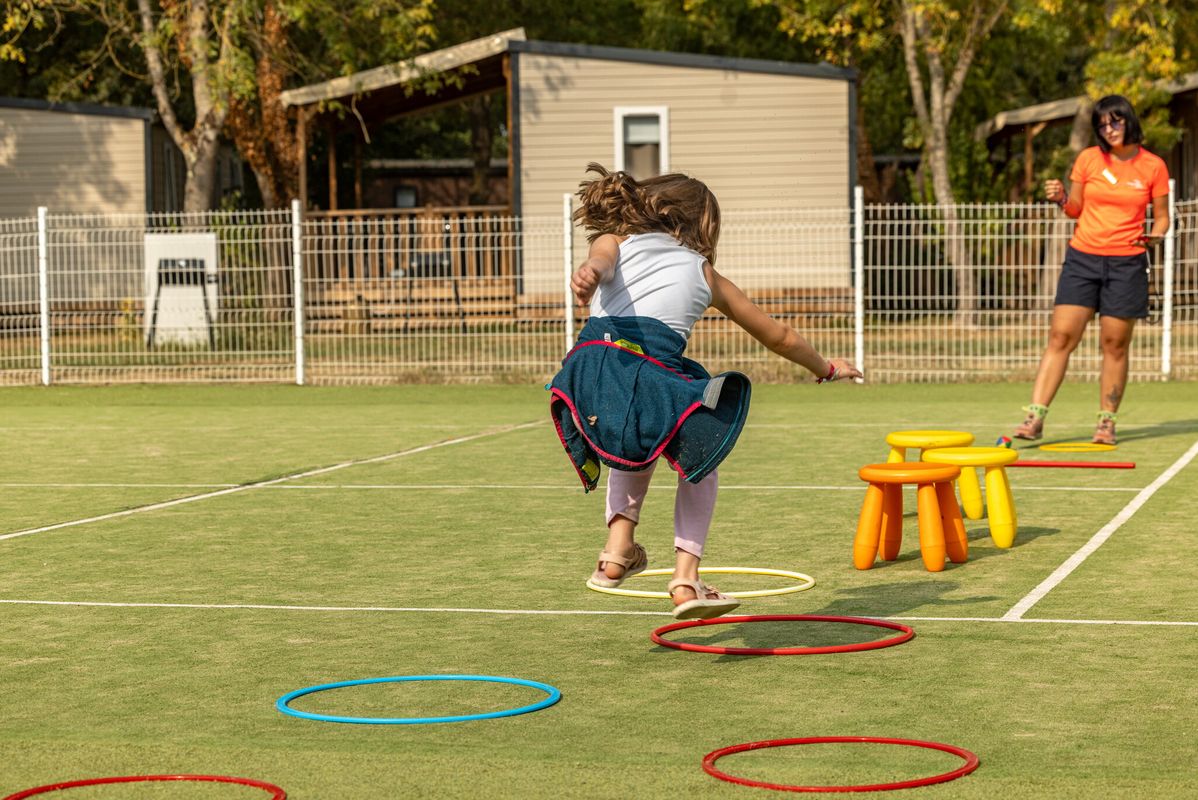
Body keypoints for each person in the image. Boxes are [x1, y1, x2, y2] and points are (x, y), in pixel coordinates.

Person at [549, 163, 862, 620]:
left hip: (592, 374)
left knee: (639, 438)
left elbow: (600, 258)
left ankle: (617, 552)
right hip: (650, 370)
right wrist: (827, 367)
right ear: (697, 224)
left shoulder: (616, 240)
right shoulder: (704, 273)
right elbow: (779, 336)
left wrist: (589, 275)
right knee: (700, 455)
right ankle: (686, 579)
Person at [1014, 95, 1170, 445]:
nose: (1109, 129)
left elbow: (1162, 217)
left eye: (1115, 121)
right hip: (1082, 260)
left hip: (1127, 263)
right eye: (1102, 125)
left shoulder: (1153, 166)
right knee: (1060, 338)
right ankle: (1034, 417)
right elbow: (1076, 209)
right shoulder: (1088, 159)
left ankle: (1106, 423)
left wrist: (1156, 236)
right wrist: (1060, 200)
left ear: (1128, 120)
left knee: (1114, 344)